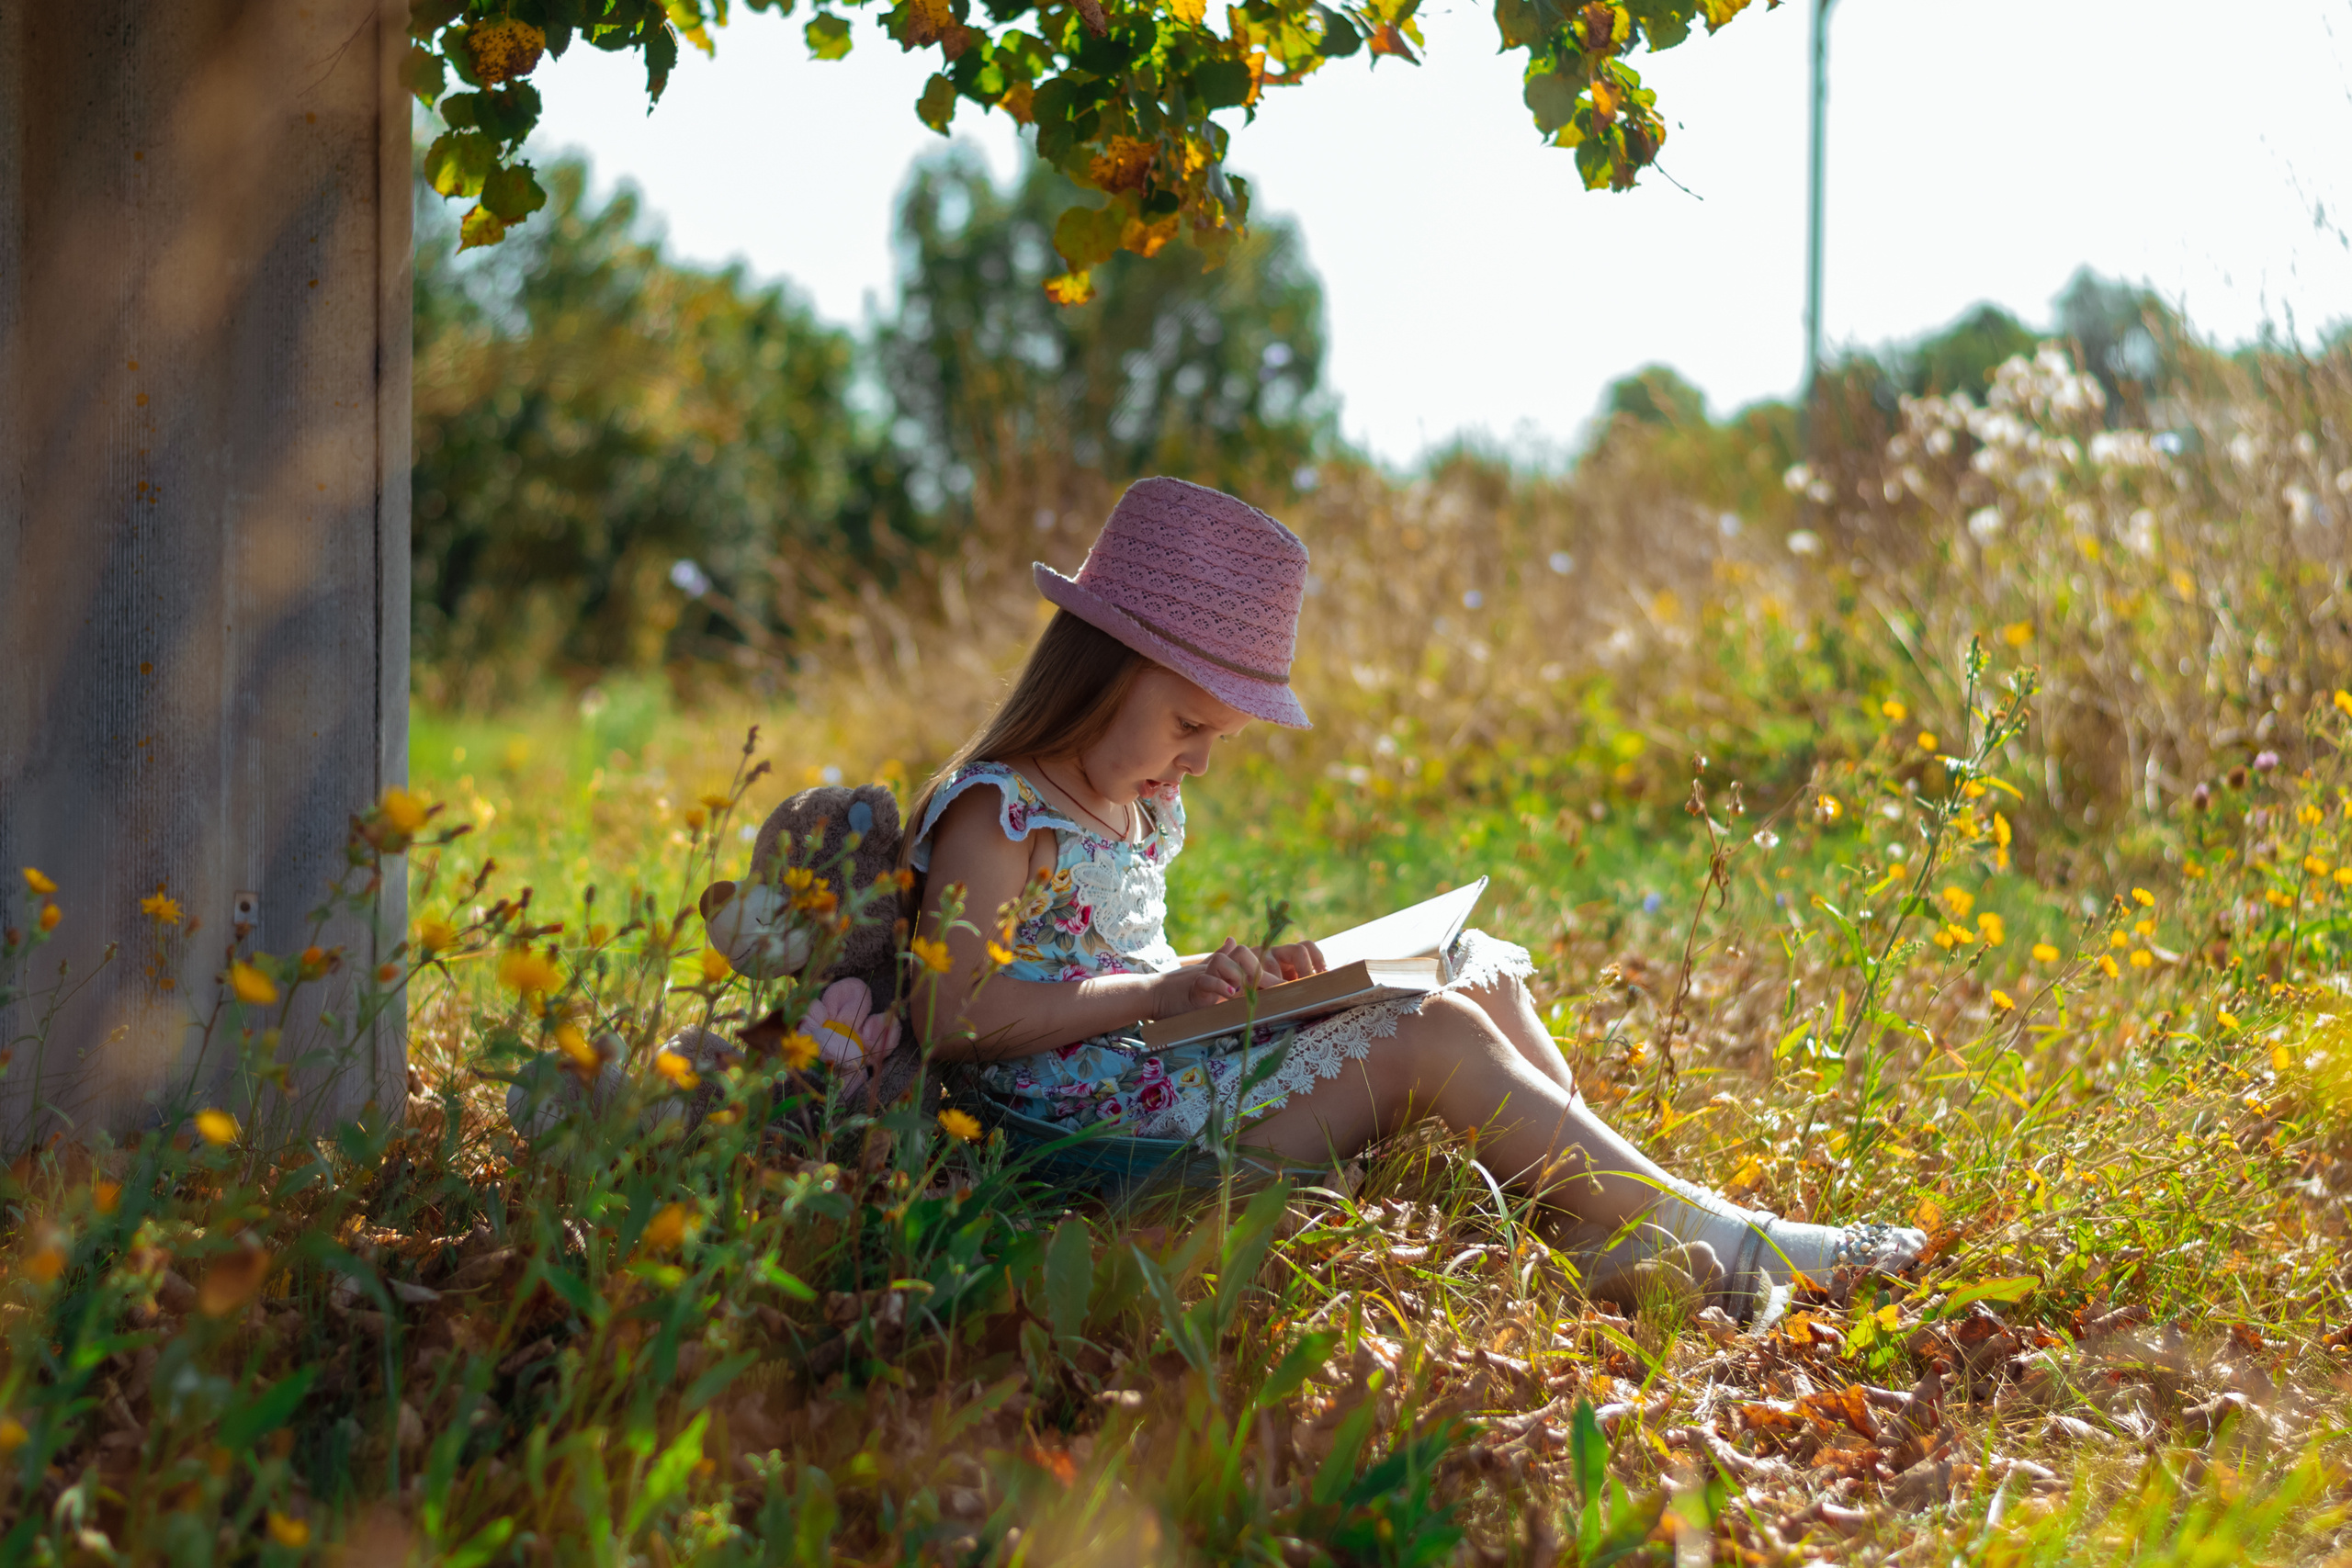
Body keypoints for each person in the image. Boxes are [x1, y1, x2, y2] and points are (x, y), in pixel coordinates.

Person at [904, 477, 1921, 1317]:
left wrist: (1213, 979)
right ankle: (1731, 1240)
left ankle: (1597, 1225)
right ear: (1103, 671)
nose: (1200, 762)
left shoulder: (1126, 807)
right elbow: (955, 1017)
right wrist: (1159, 998)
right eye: (1186, 725)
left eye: (1217, 737)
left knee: (1474, 968)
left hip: (1155, 1075)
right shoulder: (1001, 815)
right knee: (1424, 1033)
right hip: (1095, 1136)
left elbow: (1109, 968)